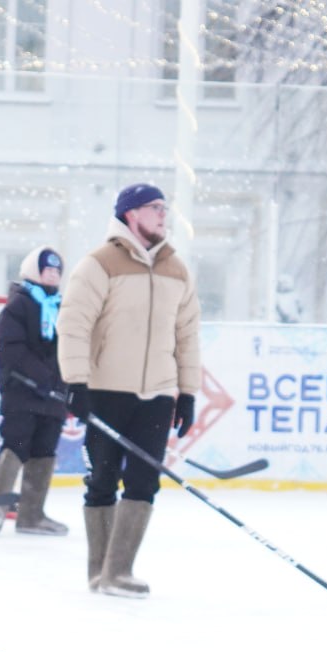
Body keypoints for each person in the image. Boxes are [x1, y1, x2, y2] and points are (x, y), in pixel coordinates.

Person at [56, 183, 202, 597]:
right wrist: (76, 383)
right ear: (131, 214)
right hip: (106, 390)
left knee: (144, 482)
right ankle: (98, 572)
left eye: (165, 208)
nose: (164, 215)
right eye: (156, 208)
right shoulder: (99, 263)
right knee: (101, 479)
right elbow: (74, 324)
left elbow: (187, 334)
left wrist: (187, 392)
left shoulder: (177, 269)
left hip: (156, 394)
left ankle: (118, 571)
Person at [0, 245, 70, 536]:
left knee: (44, 451)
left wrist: (64, 383)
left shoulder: (62, 308)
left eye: (57, 272)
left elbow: (69, 348)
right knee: (16, 445)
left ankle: (31, 515)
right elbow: (11, 349)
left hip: (54, 398)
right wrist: (42, 377)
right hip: (22, 393)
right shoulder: (19, 305)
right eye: (47, 270)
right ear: (33, 272)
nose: (53, 276)